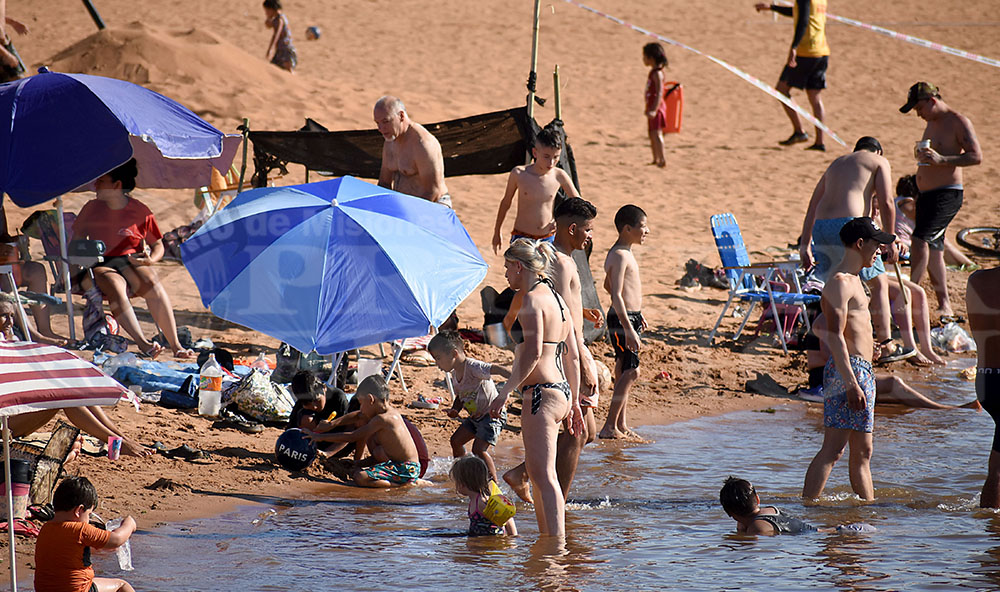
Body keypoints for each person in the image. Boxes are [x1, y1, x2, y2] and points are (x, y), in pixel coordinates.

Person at [503, 198, 600, 503]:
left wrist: (583, 312)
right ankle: (558, 500)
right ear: (572, 228)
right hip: (566, 353)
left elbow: (560, 305)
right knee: (577, 433)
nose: (590, 235)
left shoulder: (562, 258)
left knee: (587, 433)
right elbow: (549, 308)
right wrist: (582, 362)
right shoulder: (557, 259)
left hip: (571, 348)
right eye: (587, 229)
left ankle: (525, 474)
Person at [488, 239, 582, 537]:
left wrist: (505, 392)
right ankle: (548, 546)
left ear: (519, 266)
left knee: (544, 476)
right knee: (541, 478)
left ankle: (556, 546)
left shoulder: (531, 300)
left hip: (540, 394)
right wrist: (575, 402)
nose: (506, 274)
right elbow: (573, 356)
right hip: (561, 391)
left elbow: (533, 353)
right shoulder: (558, 300)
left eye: (507, 267)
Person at [803, 217, 895, 501]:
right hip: (848, 373)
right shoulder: (840, 283)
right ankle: (808, 506)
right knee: (833, 449)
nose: (879, 250)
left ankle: (867, 512)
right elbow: (833, 335)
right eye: (876, 245)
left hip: (861, 369)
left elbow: (853, 330)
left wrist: (870, 349)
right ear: (860, 243)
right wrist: (851, 382)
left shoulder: (857, 280)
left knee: (863, 451)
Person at [799, 136, 911, 364]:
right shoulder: (878, 161)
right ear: (878, 151)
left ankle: (830, 344)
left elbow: (813, 205)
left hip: (821, 227)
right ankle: (886, 345)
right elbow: (887, 202)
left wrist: (804, 244)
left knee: (836, 285)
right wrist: (890, 240)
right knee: (878, 283)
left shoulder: (837, 163)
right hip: (850, 224)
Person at [0, 293, 152, 456]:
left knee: (71, 388)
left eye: (12, 316)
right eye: (3, 315)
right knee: (64, 397)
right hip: (3, 425)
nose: (10, 322)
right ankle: (115, 442)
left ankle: (120, 438)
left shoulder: (8, 342)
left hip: (10, 415)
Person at [71, 159, 194, 359]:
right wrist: (83, 257)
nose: (95, 185)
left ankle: (176, 345)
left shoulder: (140, 211)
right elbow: (75, 242)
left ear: (117, 185)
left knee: (153, 284)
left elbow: (158, 245)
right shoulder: (91, 208)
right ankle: (143, 343)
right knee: (115, 285)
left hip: (132, 260)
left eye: (101, 181)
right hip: (101, 261)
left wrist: (151, 259)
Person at [901, 82, 983, 320]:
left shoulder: (958, 121)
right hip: (927, 195)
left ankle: (910, 297)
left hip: (946, 193)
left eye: (919, 108)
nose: (918, 114)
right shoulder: (931, 122)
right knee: (935, 249)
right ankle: (944, 304)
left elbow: (976, 156)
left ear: (932, 101)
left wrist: (942, 160)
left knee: (919, 241)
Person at [306, 375, 421, 487]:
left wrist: (319, 437)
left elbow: (353, 436)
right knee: (357, 467)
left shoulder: (384, 419)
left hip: (406, 468)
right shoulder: (383, 412)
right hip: (400, 465)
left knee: (360, 477)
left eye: (361, 403)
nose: (360, 408)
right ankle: (404, 480)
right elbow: (358, 416)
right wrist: (331, 424)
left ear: (370, 399)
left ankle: (403, 485)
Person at [428, 330, 511, 483]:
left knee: (478, 449)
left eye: (438, 358)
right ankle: (464, 473)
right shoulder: (455, 374)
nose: (437, 363)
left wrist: (515, 382)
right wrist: (455, 409)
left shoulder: (473, 367)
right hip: (475, 418)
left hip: (491, 415)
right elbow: (461, 396)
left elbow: (497, 369)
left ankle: (493, 484)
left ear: (454, 354)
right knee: (456, 441)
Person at [34, 476, 137, 592]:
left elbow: (69, 552)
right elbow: (117, 539)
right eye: (89, 514)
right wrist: (129, 524)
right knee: (121, 585)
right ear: (79, 510)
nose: (88, 519)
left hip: (44, 589)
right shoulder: (80, 530)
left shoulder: (45, 529)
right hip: (76, 589)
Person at [599, 205, 649, 440]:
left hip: (630, 315)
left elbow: (607, 285)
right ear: (627, 229)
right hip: (622, 319)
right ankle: (609, 426)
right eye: (643, 226)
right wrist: (628, 327)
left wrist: (637, 313)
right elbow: (616, 295)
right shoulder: (619, 255)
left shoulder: (625, 252)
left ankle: (621, 424)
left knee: (623, 370)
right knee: (631, 371)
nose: (647, 231)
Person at [754, 0, 830, 151]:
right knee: (815, 97)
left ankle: (799, 131)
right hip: (822, 51)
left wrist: (794, 47)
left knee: (781, 90)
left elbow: (803, 21)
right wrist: (772, 8)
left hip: (805, 52)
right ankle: (819, 142)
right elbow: (800, 12)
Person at [491, 128, 581, 253]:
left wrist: (561, 221)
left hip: (548, 238)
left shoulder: (559, 175)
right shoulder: (519, 174)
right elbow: (506, 202)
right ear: (535, 152)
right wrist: (497, 231)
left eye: (556, 157)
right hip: (522, 237)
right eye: (546, 156)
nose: (551, 162)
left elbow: (578, 204)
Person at [721, 477, 874, 535]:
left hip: (848, 533)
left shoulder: (758, 527)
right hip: (850, 529)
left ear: (729, 512)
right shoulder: (769, 510)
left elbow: (754, 544)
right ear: (758, 499)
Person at [374, 95, 451, 206]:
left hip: (434, 205)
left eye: (385, 121)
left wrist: (410, 213)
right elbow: (384, 183)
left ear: (401, 116)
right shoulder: (390, 141)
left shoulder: (422, 144)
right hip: (404, 204)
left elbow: (433, 192)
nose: (381, 129)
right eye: (378, 123)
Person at [894, 175, 976, 270]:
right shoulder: (910, 204)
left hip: (897, 245)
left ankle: (967, 264)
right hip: (906, 248)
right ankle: (969, 265)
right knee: (939, 239)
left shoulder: (895, 202)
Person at [967, 267, 1000, 507]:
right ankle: (991, 520)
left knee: (997, 462)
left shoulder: (976, 279)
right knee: (998, 469)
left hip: (986, 379)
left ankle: (990, 521)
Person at [287, 369, 353, 455]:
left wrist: (328, 453)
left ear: (324, 388)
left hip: (335, 442)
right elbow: (290, 431)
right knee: (306, 418)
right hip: (312, 442)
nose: (314, 407)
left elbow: (349, 431)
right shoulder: (303, 399)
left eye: (317, 400)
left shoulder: (338, 398)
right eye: (307, 404)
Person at [450, 455, 517, 536]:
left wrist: (513, 537)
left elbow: (507, 517)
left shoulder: (482, 501)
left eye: (456, 482)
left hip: (493, 540)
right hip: (479, 539)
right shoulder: (473, 500)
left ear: (462, 484)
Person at [642, 42, 669, 168]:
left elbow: (659, 92)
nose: (643, 59)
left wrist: (654, 109)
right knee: (651, 133)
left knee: (657, 133)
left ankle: (662, 159)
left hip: (656, 108)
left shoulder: (658, 73)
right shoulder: (653, 72)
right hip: (651, 106)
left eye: (645, 57)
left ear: (651, 58)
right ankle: (655, 158)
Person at [263, 0, 296, 72]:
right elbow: (269, 25)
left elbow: (276, 35)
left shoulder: (279, 20)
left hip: (285, 50)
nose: (266, 13)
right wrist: (269, 19)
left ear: (272, 9)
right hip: (280, 50)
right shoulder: (279, 18)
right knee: (274, 68)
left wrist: (270, 49)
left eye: (267, 11)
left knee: (288, 70)